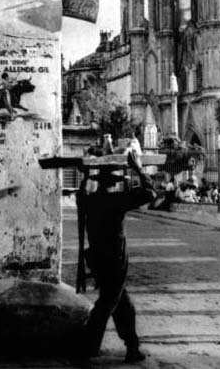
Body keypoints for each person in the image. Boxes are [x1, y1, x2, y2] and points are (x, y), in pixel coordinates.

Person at [79, 150, 155, 363]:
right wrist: (138, 168)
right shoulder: (116, 200)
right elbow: (150, 194)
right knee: (108, 302)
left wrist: (84, 176)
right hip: (114, 260)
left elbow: (81, 196)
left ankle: (132, 347)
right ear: (114, 183)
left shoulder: (90, 200)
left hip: (96, 258)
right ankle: (87, 346)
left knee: (123, 304)